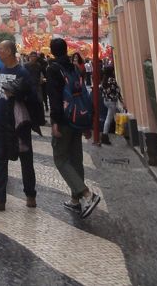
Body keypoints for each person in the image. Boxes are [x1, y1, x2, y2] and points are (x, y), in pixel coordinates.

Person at [0, 39, 37, 212]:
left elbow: (33, 97)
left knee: (26, 160)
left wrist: (17, 93)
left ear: (9, 52)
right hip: (0, 121)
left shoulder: (23, 72)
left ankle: (30, 194)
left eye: (1, 49)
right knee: (0, 160)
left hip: (18, 125)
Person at [46, 37, 100, 218]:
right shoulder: (74, 67)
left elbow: (54, 98)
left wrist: (55, 122)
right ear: (66, 49)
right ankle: (75, 201)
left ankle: (87, 194)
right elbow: (84, 93)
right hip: (78, 117)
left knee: (60, 158)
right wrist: (88, 121)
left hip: (64, 119)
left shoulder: (53, 69)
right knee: (76, 159)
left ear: (52, 51)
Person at [100, 66, 123, 145]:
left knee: (113, 116)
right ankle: (105, 135)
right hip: (112, 101)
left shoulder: (104, 80)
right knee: (108, 119)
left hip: (106, 101)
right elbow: (117, 91)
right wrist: (122, 102)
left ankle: (117, 129)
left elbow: (101, 90)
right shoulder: (112, 80)